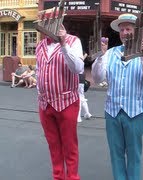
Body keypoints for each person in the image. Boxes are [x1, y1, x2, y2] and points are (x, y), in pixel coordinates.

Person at [91, 13, 143, 180]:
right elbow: (98, 79)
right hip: (113, 112)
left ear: (136, 31)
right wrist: (99, 56)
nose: (125, 32)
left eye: (128, 29)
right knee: (116, 154)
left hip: (136, 112)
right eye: (122, 29)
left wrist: (142, 57)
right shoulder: (111, 52)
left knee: (134, 154)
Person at [35, 24, 84, 180]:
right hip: (45, 103)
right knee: (53, 145)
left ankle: (72, 177)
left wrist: (63, 45)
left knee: (69, 146)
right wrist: (39, 91)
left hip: (67, 102)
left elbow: (78, 68)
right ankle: (58, 177)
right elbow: (38, 70)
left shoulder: (73, 41)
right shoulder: (40, 45)